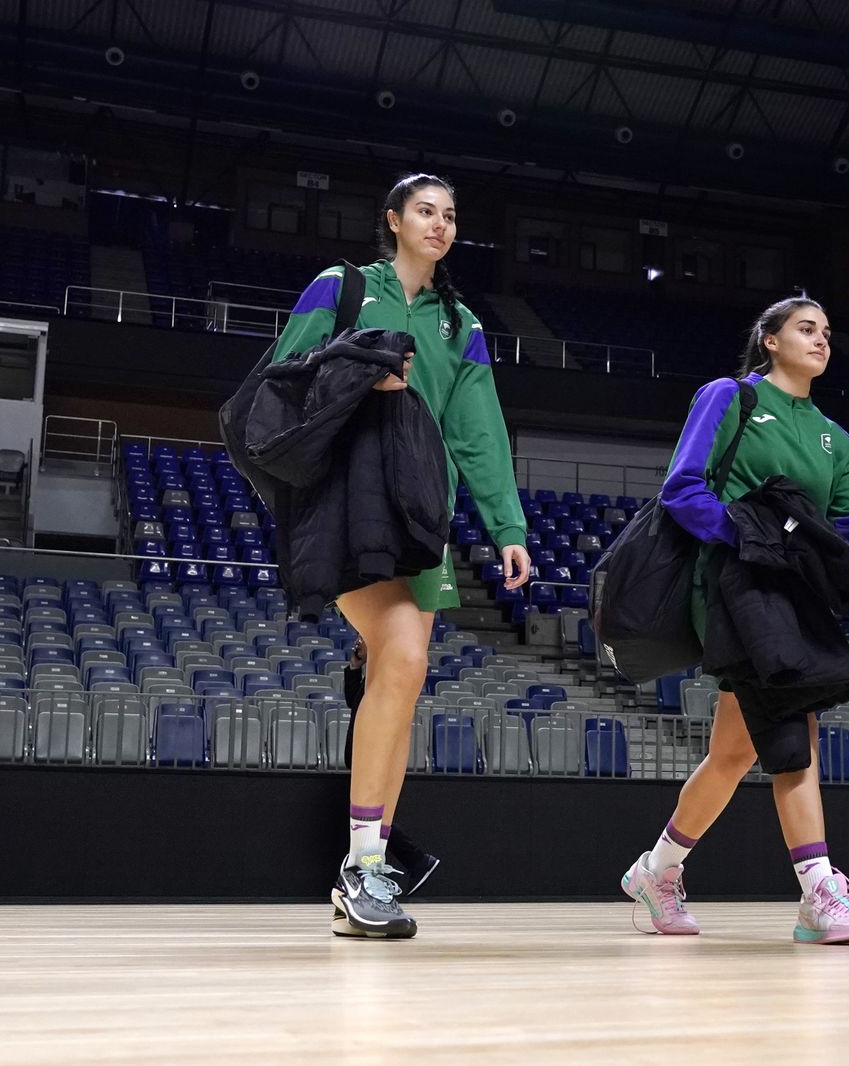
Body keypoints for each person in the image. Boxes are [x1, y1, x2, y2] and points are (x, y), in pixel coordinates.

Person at [619, 295, 849, 945]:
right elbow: (683, 488)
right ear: (770, 340)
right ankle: (818, 892)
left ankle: (656, 871)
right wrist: (746, 538)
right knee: (793, 728)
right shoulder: (730, 398)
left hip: (790, 591)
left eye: (828, 332)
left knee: (732, 753)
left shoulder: (833, 436)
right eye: (807, 328)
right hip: (732, 582)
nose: (821, 340)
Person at [269, 173, 530, 939]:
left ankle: (367, 866)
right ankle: (362, 867)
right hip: (349, 498)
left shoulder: (461, 325)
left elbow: (478, 431)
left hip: (420, 510)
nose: (441, 224)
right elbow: (286, 381)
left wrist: (506, 525)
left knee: (406, 669)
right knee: (405, 655)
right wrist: (363, 374)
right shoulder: (340, 287)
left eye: (451, 214)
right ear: (392, 220)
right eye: (426, 210)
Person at [341, 638, 440, 897]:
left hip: (376, 752)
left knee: (374, 820)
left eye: (366, 639)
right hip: (363, 752)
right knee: (371, 819)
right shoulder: (374, 675)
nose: (360, 641)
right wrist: (355, 667)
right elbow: (354, 701)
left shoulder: (389, 673)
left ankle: (414, 861)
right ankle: (407, 863)